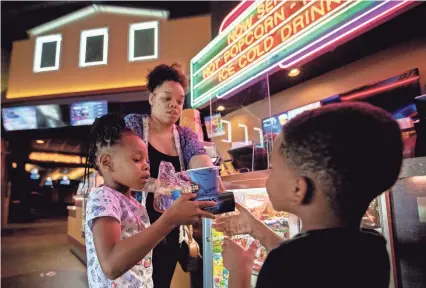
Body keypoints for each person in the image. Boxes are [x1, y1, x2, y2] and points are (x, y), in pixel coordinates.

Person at [214, 102, 403, 288]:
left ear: (299, 189)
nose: (268, 177)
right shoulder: (371, 247)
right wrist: (257, 229)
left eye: (272, 169)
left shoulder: (282, 264)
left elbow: (295, 267)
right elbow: (312, 267)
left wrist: (240, 268)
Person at [84, 114, 216, 288]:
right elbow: (111, 264)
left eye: (146, 160)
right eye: (137, 159)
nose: (147, 165)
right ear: (107, 162)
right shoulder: (103, 198)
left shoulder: (133, 203)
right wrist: (170, 220)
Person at [124, 64, 217, 288]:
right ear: (152, 98)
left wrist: (211, 181)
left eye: (179, 101)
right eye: (167, 98)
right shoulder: (133, 125)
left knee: (161, 281)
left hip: (172, 227)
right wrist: (172, 186)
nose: (174, 105)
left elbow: (201, 161)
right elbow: (126, 171)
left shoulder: (185, 135)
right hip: (135, 226)